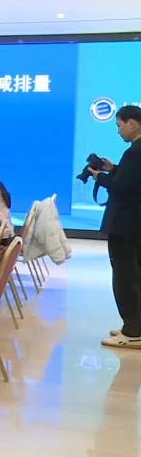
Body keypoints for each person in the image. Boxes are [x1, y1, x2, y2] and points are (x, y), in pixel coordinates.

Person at [89, 105, 141, 349]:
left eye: (119, 125)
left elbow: (123, 187)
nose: (119, 131)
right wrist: (114, 169)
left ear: (132, 123)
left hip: (126, 225)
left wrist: (99, 177)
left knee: (125, 276)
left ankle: (132, 330)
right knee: (133, 274)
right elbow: (131, 179)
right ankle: (135, 325)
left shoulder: (135, 152)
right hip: (133, 225)